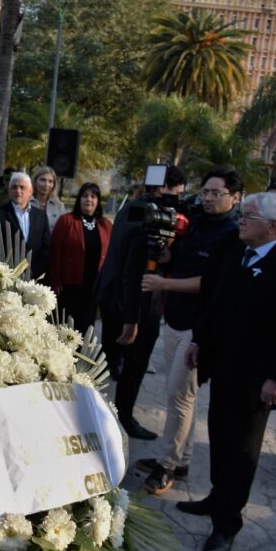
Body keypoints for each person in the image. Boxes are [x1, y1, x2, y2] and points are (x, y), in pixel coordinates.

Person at [175, 192, 276, 551]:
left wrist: (275, 377)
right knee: (219, 437)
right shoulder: (237, 251)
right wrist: (199, 341)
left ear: (273, 227)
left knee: (243, 451)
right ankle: (217, 499)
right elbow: (215, 300)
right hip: (223, 366)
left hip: (257, 378)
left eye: (248, 217)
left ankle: (227, 524)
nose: (241, 222)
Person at [136, 168, 243, 496]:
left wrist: (163, 283)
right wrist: (163, 250)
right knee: (183, 396)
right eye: (205, 192)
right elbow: (177, 262)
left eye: (216, 193)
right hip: (176, 317)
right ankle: (181, 459)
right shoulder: (195, 222)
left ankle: (167, 465)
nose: (208, 198)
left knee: (178, 396)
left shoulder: (233, 234)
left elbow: (210, 284)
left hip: (199, 327)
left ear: (234, 197)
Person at [95, 165, 187, 440]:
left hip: (115, 298)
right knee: (133, 366)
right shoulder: (148, 217)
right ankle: (122, 418)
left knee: (115, 364)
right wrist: (131, 320)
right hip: (134, 304)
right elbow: (133, 270)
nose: (176, 203)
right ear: (161, 189)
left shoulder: (133, 208)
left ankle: (111, 415)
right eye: (174, 195)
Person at [48, 182, 112, 334]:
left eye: (93, 196)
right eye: (85, 196)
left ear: (98, 201)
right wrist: (55, 280)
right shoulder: (66, 221)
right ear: (79, 199)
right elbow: (55, 252)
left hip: (94, 286)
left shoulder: (105, 224)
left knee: (86, 328)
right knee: (66, 328)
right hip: (70, 286)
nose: (89, 199)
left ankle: (81, 356)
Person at [0, 172, 52, 279]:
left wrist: (34, 271)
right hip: (6, 276)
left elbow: (46, 247)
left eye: (22, 187)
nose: (18, 191)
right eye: (14, 187)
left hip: (35, 277)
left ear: (30, 191)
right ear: (9, 191)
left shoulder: (41, 216)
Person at [30, 166, 66, 231]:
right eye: (42, 180)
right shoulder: (26, 202)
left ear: (54, 184)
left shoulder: (59, 206)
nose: (46, 184)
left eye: (50, 181)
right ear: (35, 181)